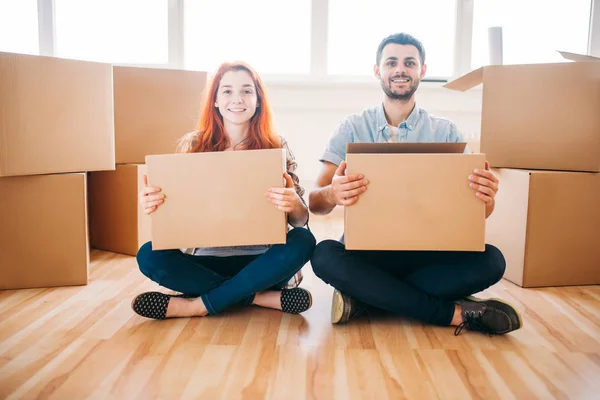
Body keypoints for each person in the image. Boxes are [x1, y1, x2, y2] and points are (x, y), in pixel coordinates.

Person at [309, 33, 522, 336]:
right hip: (368, 254)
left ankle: (367, 299)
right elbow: (315, 203)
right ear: (377, 71)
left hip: (430, 252)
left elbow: (478, 212)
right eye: (391, 62)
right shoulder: (351, 127)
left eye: (409, 63)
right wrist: (333, 192)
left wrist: (486, 199)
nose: (400, 69)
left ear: (422, 71)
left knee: (493, 260)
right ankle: (453, 312)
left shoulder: (446, 131)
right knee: (323, 255)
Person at [132, 61, 316, 320]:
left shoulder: (276, 144)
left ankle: (196, 305)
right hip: (204, 261)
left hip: (262, 261)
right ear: (216, 100)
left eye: (246, 91)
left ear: (258, 100)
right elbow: (177, 212)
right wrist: (155, 204)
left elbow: (300, 220)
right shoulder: (194, 144)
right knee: (148, 255)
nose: (237, 99)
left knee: (304, 240)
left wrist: (294, 203)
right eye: (227, 91)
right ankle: (257, 297)